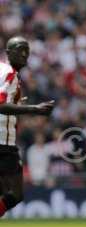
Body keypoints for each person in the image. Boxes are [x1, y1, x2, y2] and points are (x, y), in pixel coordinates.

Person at [0, 36, 54, 217]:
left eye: (27, 51)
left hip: (5, 142)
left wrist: (17, 104)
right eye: (19, 50)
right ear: (8, 53)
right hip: (3, 144)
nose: (24, 54)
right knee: (15, 193)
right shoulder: (10, 73)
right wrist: (35, 109)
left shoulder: (2, 71)